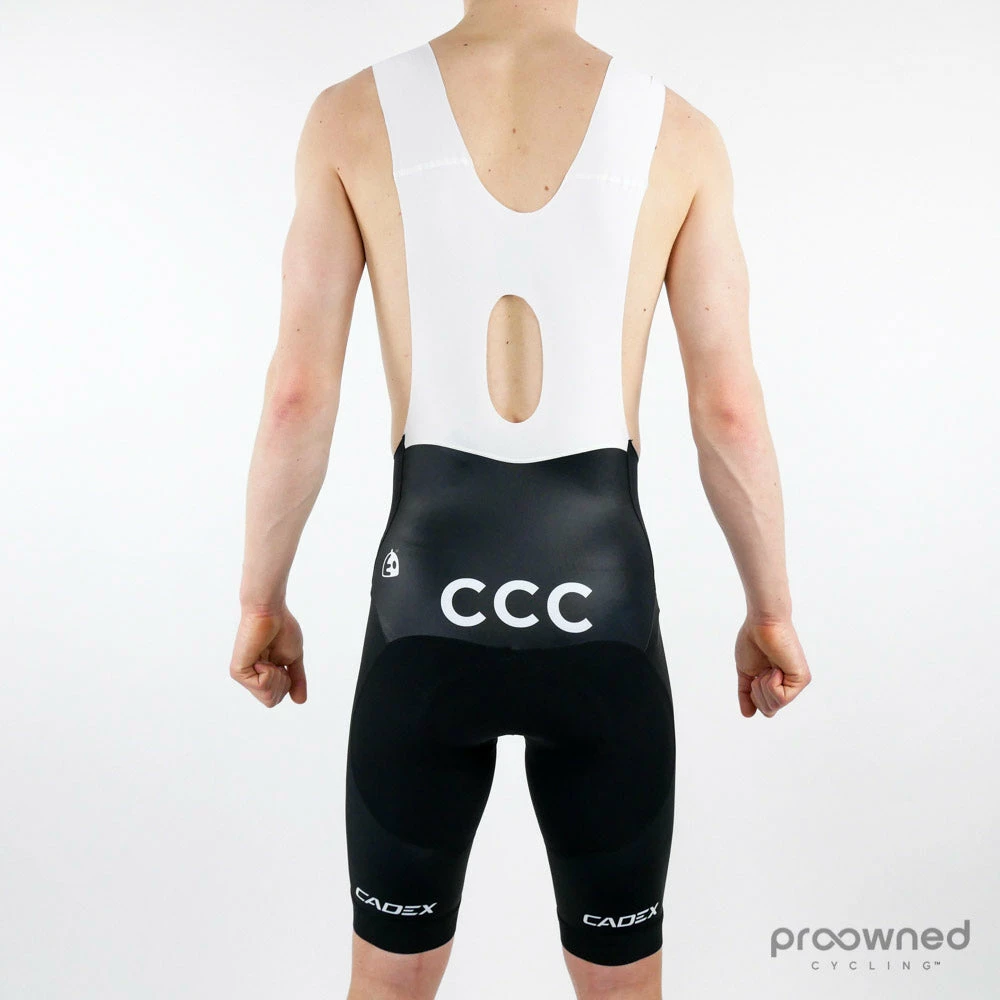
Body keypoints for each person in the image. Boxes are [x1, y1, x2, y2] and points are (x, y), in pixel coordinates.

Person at [229, 1, 812, 997]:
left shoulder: (349, 116)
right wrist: (770, 611)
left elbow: (297, 396)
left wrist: (261, 598)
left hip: (423, 613)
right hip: (605, 615)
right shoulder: (679, 133)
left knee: (388, 983)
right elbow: (728, 409)